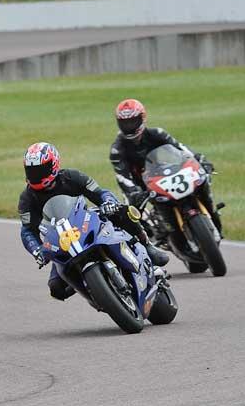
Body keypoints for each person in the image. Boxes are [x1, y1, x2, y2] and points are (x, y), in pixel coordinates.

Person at [18, 142, 169, 301]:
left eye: (40, 169)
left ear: (54, 164)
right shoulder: (27, 198)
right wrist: (37, 251)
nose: (36, 174)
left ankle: (147, 245)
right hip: (63, 242)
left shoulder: (71, 177)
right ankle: (96, 292)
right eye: (31, 170)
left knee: (123, 212)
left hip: (85, 222)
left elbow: (100, 193)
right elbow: (27, 230)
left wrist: (108, 203)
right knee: (56, 288)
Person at [109, 98, 222, 236]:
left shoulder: (157, 133)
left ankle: (213, 213)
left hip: (163, 175)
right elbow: (122, 177)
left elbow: (182, 150)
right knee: (133, 220)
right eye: (125, 123)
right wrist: (134, 192)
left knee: (201, 182)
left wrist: (199, 159)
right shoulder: (117, 149)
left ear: (142, 118)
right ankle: (151, 245)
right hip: (139, 187)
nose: (129, 126)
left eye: (133, 121)